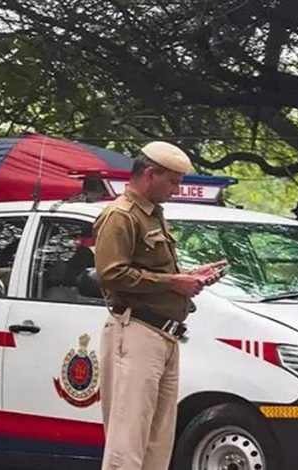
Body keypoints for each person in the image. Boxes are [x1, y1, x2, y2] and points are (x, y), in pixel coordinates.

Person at [94, 141, 227, 470]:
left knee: (158, 440)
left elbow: (152, 271)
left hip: (164, 334)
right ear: (150, 174)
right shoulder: (121, 215)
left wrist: (188, 277)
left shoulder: (153, 214)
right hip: (135, 331)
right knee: (128, 439)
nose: (176, 189)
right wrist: (172, 282)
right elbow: (111, 274)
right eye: (173, 181)